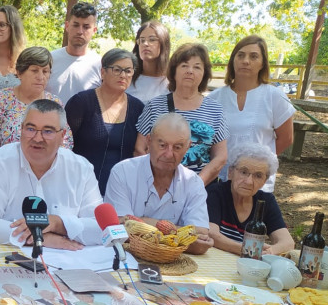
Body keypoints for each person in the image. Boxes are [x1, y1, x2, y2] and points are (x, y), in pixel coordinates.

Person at [0, 99, 103, 249]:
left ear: (62, 135)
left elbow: (100, 228)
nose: (38, 138)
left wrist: (57, 223)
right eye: (31, 129)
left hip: (69, 262)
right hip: (14, 261)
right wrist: (39, 237)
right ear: (21, 129)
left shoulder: (80, 168)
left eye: (48, 131)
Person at [105, 113, 213, 254]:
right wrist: (180, 234)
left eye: (177, 147)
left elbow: (200, 234)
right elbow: (121, 230)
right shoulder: (123, 172)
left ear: (188, 147)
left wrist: (144, 222)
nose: (168, 154)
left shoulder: (193, 182)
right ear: (149, 142)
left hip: (173, 259)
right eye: (162, 145)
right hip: (126, 256)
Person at [208, 35, 295, 192]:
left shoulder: (274, 96)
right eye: (240, 55)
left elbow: (286, 138)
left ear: (262, 63)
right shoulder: (215, 98)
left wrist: (257, 164)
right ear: (233, 60)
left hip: (257, 183)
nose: (245, 61)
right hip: (222, 180)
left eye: (253, 56)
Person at [135, 43, 228, 185]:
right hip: (158, 187)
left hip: (200, 188)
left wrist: (196, 185)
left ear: (204, 74)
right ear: (174, 71)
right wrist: (157, 181)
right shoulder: (154, 106)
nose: (190, 71)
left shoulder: (215, 110)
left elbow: (220, 156)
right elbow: (139, 149)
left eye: (197, 67)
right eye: (184, 65)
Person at [66, 48, 145, 196]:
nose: (123, 75)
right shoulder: (81, 102)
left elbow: (141, 154)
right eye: (117, 70)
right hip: (80, 189)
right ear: (103, 72)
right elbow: (64, 145)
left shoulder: (138, 108)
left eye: (128, 71)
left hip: (122, 192)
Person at [0, 46, 73, 159]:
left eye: (45, 71)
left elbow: (65, 143)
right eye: (34, 70)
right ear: (19, 72)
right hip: (6, 171)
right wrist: (10, 173)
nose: (40, 77)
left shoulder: (55, 103)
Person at [206, 143, 294, 255]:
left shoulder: (266, 201)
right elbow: (211, 234)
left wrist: (271, 251)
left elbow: (288, 242)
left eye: (258, 175)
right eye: (243, 172)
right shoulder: (215, 193)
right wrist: (247, 250)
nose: (248, 181)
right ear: (230, 172)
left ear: (264, 181)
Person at [45, 2, 101, 104]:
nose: (80, 31)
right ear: (67, 26)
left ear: (94, 30)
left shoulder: (100, 65)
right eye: (75, 25)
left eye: (86, 27)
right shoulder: (48, 60)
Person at [126, 20, 171, 103]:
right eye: (142, 40)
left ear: (163, 43)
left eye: (152, 40)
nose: (145, 44)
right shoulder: (127, 78)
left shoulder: (173, 81)